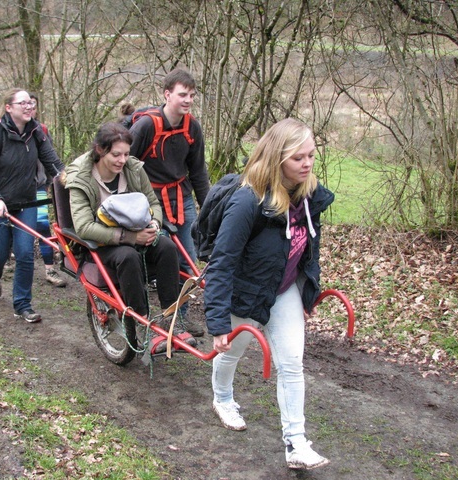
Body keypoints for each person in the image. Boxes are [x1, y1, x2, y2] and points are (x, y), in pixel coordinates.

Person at [204, 118, 334, 470]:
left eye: (310, 156)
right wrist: (217, 324)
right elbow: (221, 262)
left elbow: (310, 249)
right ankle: (223, 398)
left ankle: (296, 443)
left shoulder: (308, 196)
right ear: (277, 159)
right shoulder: (247, 202)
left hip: (285, 288)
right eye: (298, 158)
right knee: (231, 352)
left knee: (292, 364)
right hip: (246, 291)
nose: (307, 165)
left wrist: (307, 292)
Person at [66, 122, 196, 353]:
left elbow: (152, 202)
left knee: (166, 246)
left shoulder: (133, 170)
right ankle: (144, 322)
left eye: (126, 154)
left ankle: (170, 319)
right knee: (128, 256)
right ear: (100, 150)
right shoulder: (82, 179)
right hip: (103, 241)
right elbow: (84, 227)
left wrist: (154, 223)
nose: (122, 160)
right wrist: (129, 237)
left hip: (138, 232)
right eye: (116, 155)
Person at [129, 68, 210, 337]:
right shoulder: (146, 126)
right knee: (165, 260)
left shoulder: (192, 127)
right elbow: (125, 164)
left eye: (192, 95)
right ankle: (154, 316)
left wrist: (208, 209)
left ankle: (180, 320)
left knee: (187, 264)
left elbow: (198, 172)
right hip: (150, 202)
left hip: (181, 199)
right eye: (182, 94)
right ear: (167, 94)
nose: (187, 100)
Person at [0, 88, 65, 323]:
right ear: (9, 107)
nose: (28, 107)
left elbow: (53, 163)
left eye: (31, 104)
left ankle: (22, 305)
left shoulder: (36, 132)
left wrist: (72, 182)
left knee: (25, 254)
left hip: (26, 203)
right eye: (22, 103)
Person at [29, 93, 66, 288]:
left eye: (33, 105)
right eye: (26, 105)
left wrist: (63, 178)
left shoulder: (41, 131)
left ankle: (50, 269)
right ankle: (6, 260)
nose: (30, 109)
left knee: (42, 225)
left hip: (39, 186)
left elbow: (51, 159)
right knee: (14, 229)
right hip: (12, 193)